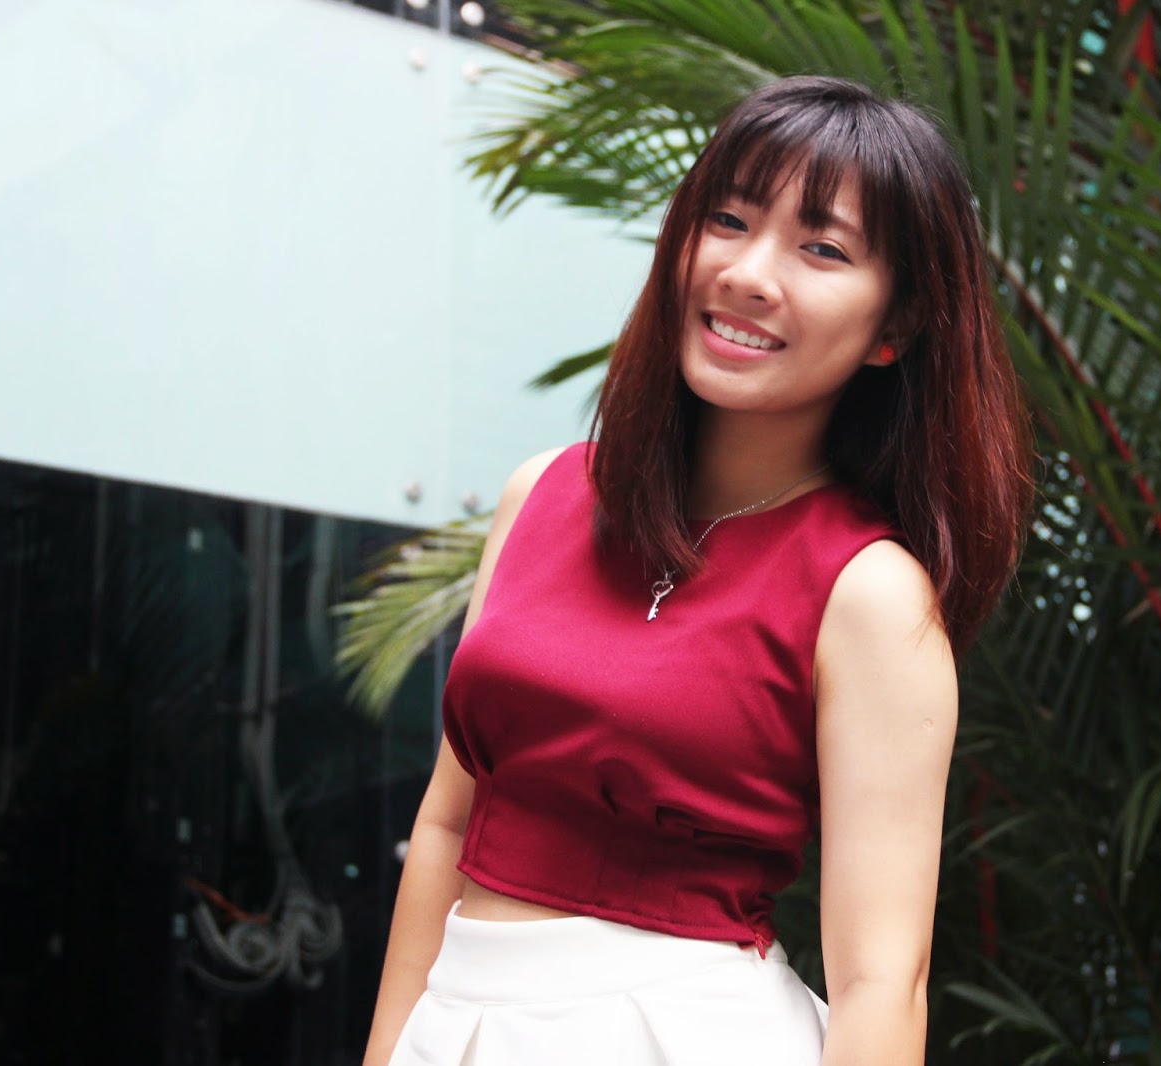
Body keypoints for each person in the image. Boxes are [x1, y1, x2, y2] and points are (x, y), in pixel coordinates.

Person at [363, 75, 1033, 1066]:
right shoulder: (542, 494)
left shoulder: (869, 591)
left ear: (893, 329)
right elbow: (447, 825)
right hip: (459, 1024)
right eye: (728, 219)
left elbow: (881, 982)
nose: (750, 273)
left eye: (822, 249)